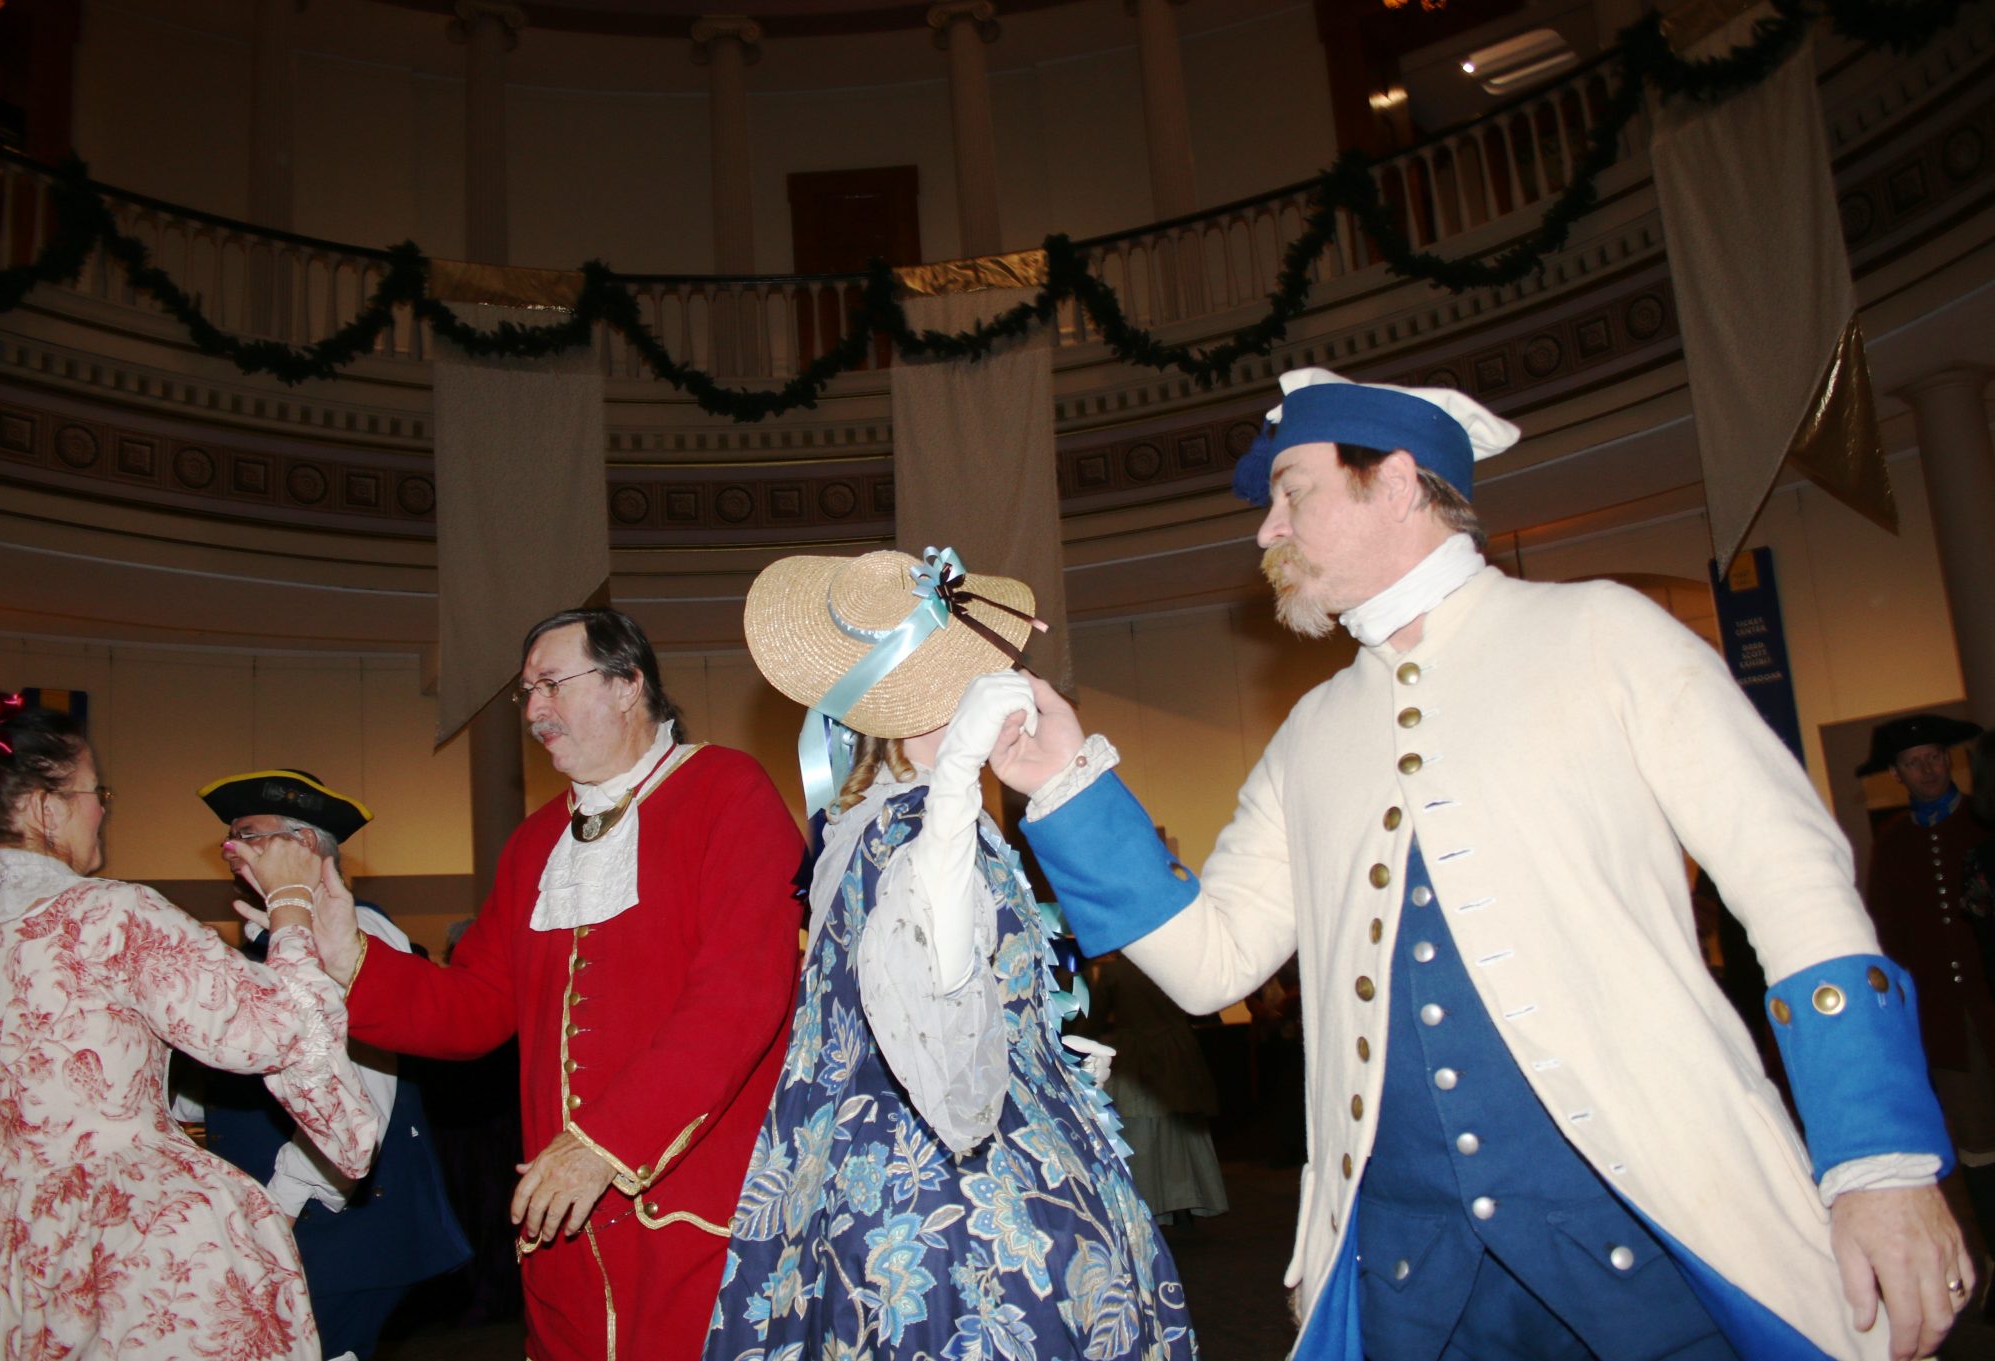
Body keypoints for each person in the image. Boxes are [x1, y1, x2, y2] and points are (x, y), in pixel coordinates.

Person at [988, 368, 1974, 1361]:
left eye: (1292, 491)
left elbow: (1789, 878)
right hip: (1411, 1281)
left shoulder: (1602, 630)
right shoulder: (1308, 732)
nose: (1264, 530)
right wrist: (1067, 783)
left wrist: (1879, 1162)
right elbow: (1211, 961)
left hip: (1661, 1231)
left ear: (1398, 481)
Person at [703, 547, 1195, 1361]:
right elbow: (929, 979)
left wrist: (1045, 1047)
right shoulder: (914, 822)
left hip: (925, 1164)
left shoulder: (880, 821)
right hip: (942, 1201)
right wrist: (960, 773)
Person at [292, 608, 805, 1361]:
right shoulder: (534, 842)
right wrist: (354, 960)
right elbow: (474, 1005)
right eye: (525, 691)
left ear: (629, 684)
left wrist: (607, 1144)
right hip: (564, 1235)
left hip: (699, 1220)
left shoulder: (727, 790)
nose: (533, 709)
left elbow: (740, 998)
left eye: (552, 684)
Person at [0, 677, 378, 1360]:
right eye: (98, 796)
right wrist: (292, 904)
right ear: (43, 808)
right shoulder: (106, 914)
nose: (103, 814)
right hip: (127, 1248)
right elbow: (280, 1026)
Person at [190, 769, 472, 1360]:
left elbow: (364, 1087)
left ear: (308, 847)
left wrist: (284, 1205)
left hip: (327, 1225)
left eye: (251, 834)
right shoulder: (273, 934)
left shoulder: (355, 934)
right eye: (233, 836)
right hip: (307, 1222)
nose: (232, 849)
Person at [1861, 714, 1995, 1296]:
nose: (1928, 769)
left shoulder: (1986, 822)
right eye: (1914, 762)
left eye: (1935, 756)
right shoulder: (1891, 847)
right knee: (1978, 1146)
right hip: (1946, 1025)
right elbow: (1886, 938)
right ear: (1896, 774)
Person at [1077, 952, 1230, 1228]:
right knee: (1177, 1124)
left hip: (1137, 1051)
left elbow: (1094, 1018)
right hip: (1174, 1046)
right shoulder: (1170, 963)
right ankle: (1183, 1200)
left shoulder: (1112, 971)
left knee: (1143, 1126)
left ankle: (1152, 1202)